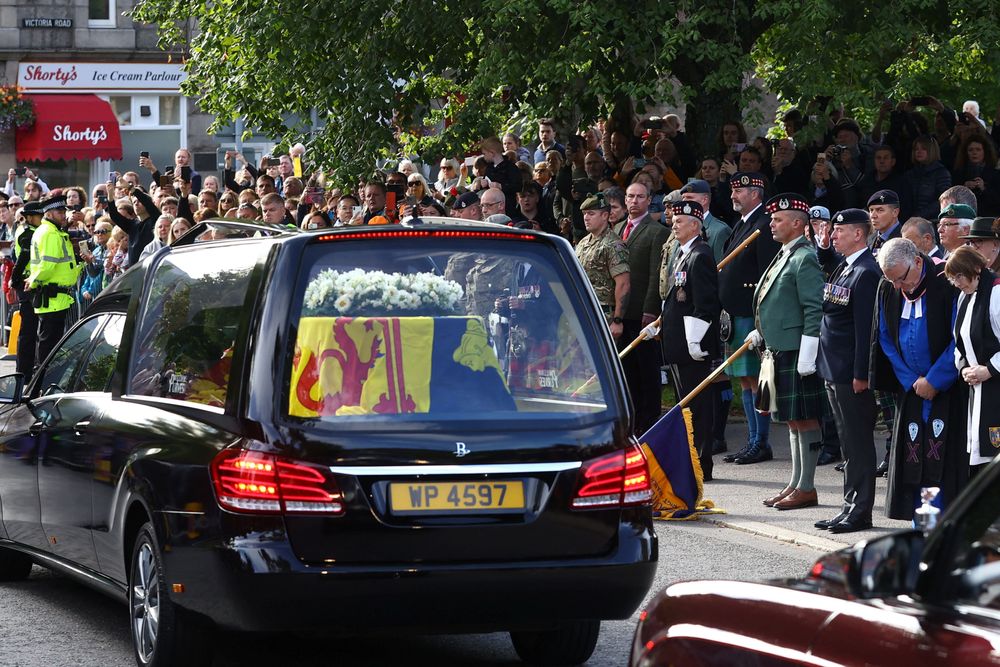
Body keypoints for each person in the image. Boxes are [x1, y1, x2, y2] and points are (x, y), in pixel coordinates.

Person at [872, 238, 967, 520]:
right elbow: (885, 337)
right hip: (912, 391)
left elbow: (959, 336)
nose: (899, 288)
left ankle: (945, 529)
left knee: (941, 465)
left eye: (902, 279)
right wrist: (911, 380)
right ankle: (922, 525)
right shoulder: (889, 287)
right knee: (917, 464)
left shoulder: (945, 281)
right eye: (892, 281)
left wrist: (935, 380)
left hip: (946, 391)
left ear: (916, 261)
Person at [745, 193, 825, 510]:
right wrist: (760, 329)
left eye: (778, 220)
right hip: (778, 348)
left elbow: (813, 309)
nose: (771, 225)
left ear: (797, 223)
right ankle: (795, 482)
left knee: (804, 419)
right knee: (791, 420)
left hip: (796, 350)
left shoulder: (804, 257)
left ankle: (807, 487)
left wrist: (809, 352)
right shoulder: (785, 254)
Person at [814, 208, 882, 533]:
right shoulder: (845, 266)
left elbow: (865, 329)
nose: (833, 235)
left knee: (858, 444)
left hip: (850, 373)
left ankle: (860, 511)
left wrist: (861, 374)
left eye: (839, 231)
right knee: (847, 445)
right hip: (834, 368)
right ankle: (848, 506)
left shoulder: (867, 272)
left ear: (858, 234)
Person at [718, 173, 782, 464]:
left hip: (751, 315)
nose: (734, 195)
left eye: (740, 190)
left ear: (756, 193)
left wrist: (761, 322)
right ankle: (752, 440)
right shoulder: (743, 224)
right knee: (745, 381)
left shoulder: (764, 226)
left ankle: (762, 441)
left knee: (757, 382)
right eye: (733, 190)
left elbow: (767, 275)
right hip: (735, 313)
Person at [660, 200, 721, 480]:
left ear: (695, 225)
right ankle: (689, 458)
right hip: (678, 343)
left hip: (692, 346)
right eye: (674, 219)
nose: (674, 223)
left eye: (680, 220)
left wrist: (696, 339)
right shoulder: (682, 253)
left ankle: (700, 463)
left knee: (697, 406)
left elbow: (706, 303)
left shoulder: (701, 254)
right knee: (684, 405)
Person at [613, 182, 669, 435]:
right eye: (630, 196)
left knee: (646, 369)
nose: (634, 201)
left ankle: (650, 420)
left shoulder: (656, 231)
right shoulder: (616, 228)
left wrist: (650, 310)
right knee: (625, 370)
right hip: (619, 312)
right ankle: (632, 419)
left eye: (640, 197)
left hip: (642, 311)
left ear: (649, 201)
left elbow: (657, 272)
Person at [948, 246, 1000, 481]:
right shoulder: (965, 295)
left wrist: (989, 369)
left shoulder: (996, 293)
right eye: (952, 277)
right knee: (981, 455)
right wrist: (964, 368)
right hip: (975, 387)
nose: (956, 282)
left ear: (977, 269)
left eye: (959, 275)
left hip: (995, 385)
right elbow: (960, 340)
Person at [26, 195, 83, 368]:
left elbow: (62, 266)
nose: (63, 214)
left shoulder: (54, 232)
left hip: (56, 297)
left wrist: (81, 264)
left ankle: (43, 380)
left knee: (50, 343)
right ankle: (41, 383)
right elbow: (48, 265)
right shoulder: (50, 233)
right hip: (52, 297)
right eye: (59, 211)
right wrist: (34, 281)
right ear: (48, 214)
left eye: (64, 210)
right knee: (49, 344)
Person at [575, 193, 629, 340]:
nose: (586, 217)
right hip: (584, 310)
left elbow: (623, 283)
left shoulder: (613, 244)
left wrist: (617, 320)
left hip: (604, 314)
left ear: (605, 215)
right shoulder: (583, 243)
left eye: (591, 214)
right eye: (585, 214)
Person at [10, 200, 42, 375]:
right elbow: (22, 258)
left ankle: (27, 369)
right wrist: (15, 280)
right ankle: (24, 372)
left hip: (30, 282)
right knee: (29, 330)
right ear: (29, 217)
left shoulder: (29, 230)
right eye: (39, 216)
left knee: (31, 329)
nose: (42, 218)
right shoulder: (27, 233)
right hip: (27, 284)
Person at [680, 179, 732, 262]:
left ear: (704, 200)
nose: (684, 202)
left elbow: (720, 268)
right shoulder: (680, 227)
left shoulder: (720, 231)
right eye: (683, 198)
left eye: (689, 198)